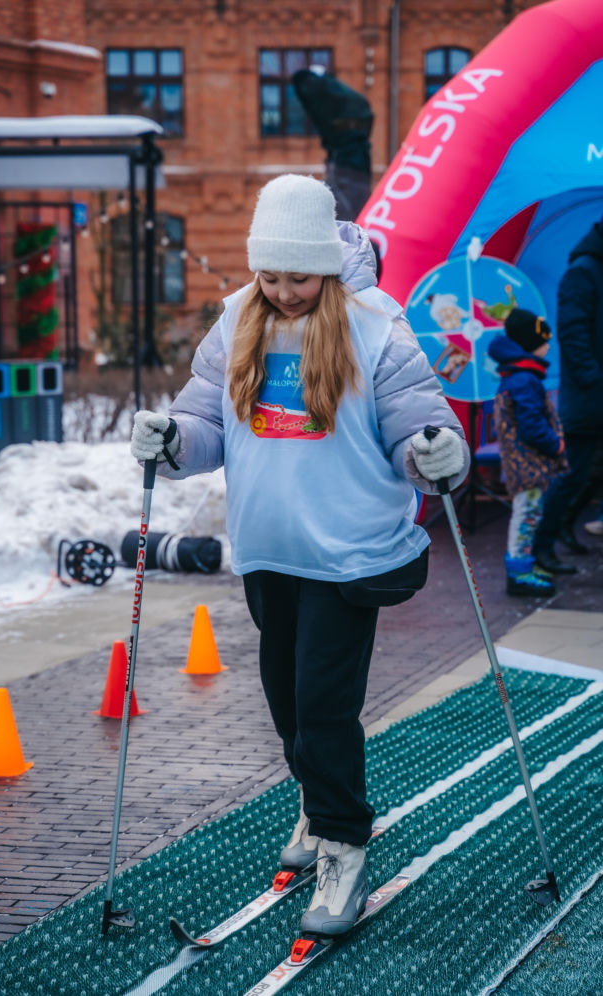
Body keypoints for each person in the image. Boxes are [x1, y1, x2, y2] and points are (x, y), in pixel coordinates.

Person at [130, 174, 469, 938]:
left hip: (347, 553)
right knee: (287, 706)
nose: (284, 292)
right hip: (269, 549)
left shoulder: (375, 327)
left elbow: (415, 419)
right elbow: (205, 419)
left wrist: (433, 453)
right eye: (271, 275)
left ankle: (344, 841)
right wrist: (174, 441)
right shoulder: (238, 321)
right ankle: (318, 809)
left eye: (298, 277)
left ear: (324, 263)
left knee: (322, 708)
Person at [532, 216, 603, 573]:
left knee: (590, 473)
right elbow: (573, 334)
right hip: (590, 399)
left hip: (593, 395)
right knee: (573, 474)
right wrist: (594, 379)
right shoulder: (583, 272)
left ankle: (561, 527)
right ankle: (541, 544)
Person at [488, 309, 567, 597]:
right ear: (532, 343)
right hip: (527, 462)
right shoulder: (524, 379)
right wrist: (554, 443)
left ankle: (524, 565)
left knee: (529, 513)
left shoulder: (520, 375)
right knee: (527, 514)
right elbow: (531, 425)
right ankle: (519, 574)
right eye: (545, 341)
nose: (548, 346)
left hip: (525, 461)